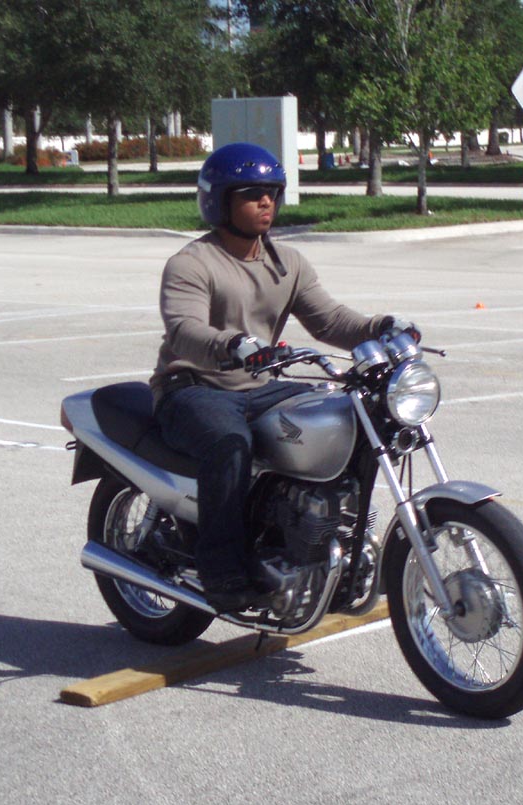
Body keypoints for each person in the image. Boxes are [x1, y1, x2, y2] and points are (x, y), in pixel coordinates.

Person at [149, 142, 417, 612]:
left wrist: (380, 327)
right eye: (252, 194)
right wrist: (231, 344)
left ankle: (329, 540)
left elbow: (330, 321)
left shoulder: (287, 263)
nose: (266, 202)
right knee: (229, 442)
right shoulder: (192, 263)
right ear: (219, 201)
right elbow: (185, 330)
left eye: (272, 192)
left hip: (259, 386)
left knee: (349, 416)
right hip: (192, 387)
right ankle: (223, 572)